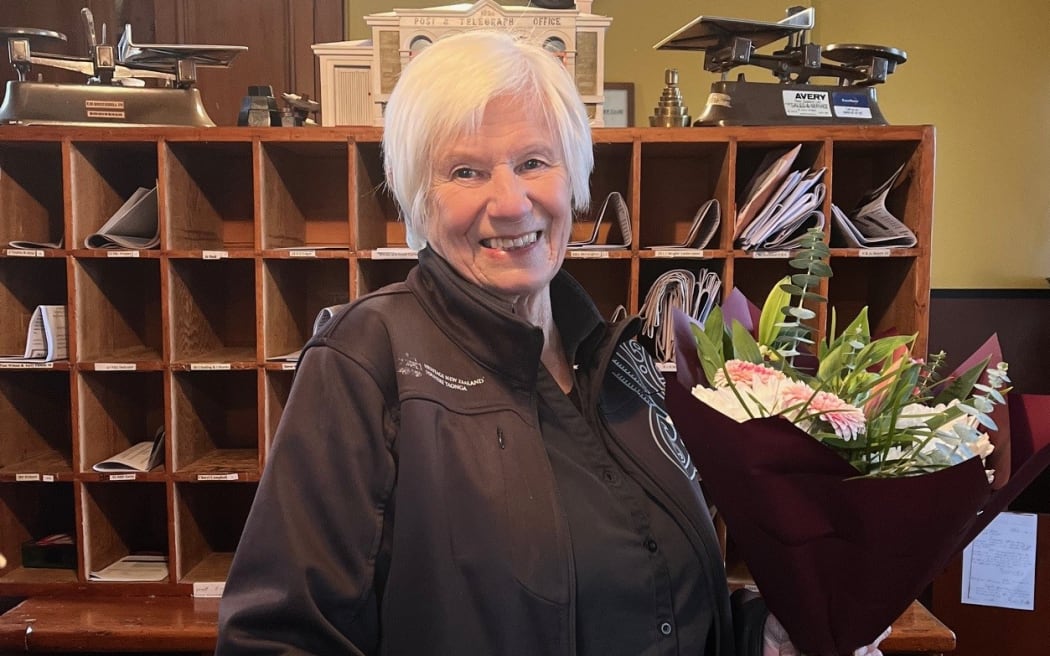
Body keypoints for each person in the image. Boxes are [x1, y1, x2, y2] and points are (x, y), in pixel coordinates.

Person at [216, 30, 889, 656]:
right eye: (466, 172)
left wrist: (767, 635)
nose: (510, 203)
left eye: (534, 161)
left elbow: (656, 595)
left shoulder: (619, 358)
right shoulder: (366, 361)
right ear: (419, 199)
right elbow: (276, 639)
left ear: (575, 176)